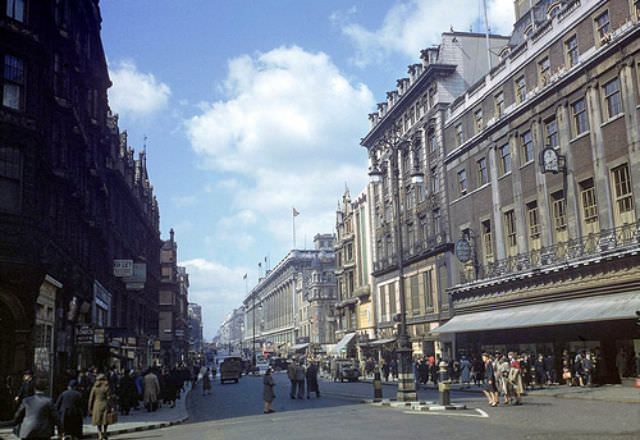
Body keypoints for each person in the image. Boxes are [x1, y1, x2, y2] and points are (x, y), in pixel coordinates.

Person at [89, 374, 111, 440]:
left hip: (97, 404)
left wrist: (89, 407)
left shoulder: (94, 387)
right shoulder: (106, 387)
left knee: (98, 420)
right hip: (105, 403)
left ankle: (99, 434)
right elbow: (109, 397)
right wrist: (111, 406)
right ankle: (105, 432)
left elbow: (91, 398)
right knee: (105, 420)